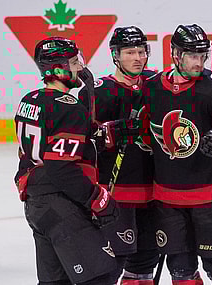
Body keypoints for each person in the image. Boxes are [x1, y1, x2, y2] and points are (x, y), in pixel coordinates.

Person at [142, 24, 212, 284]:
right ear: (176, 55)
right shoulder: (152, 88)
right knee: (179, 268)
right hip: (167, 198)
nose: (199, 62)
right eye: (193, 56)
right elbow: (144, 133)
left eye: (203, 56)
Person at [14, 37, 119, 285]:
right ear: (58, 68)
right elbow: (60, 167)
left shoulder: (29, 100)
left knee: (55, 282)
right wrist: (96, 198)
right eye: (73, 62)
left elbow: (39, 149)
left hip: (36, 203)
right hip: (61, 202)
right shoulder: (68, 107)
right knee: (101, 275)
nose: (79, 67)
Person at [78, 26, 159, 284]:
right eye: (129, 52)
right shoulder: (98, 92)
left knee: (147, 260)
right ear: (116, 55)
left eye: (141, 51)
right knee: (112, 262)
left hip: (154, 190)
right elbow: (82, 142)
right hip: (116, 192)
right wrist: (110, 133)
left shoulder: (156, 86)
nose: (137, 57)